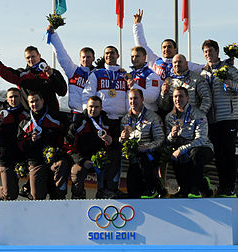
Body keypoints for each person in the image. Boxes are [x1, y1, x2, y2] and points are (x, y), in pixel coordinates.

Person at [200, 39, 238, 197]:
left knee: (229, 153)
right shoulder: (203, 72)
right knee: (219, 154)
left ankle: (230, 187)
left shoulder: (228, 68)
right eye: (206, 52)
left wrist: (230, 84)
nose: (208, 54)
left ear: (217, 52)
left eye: (211, 51)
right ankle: (222, 187)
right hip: (212, 120)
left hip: (228, 117)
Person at [82, 46, 127, 198]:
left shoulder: (124, 75)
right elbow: (88, 94)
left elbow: (129, 95)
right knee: (103, 153)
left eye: (112, 53)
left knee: (118, 154)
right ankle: (101, 189)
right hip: (103, 119)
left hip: (120, 120)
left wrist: (129, 118)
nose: (109, 55)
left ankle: (113, 188)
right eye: (106, 53)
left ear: (118, 55)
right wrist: (87, 112)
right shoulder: (97, 74)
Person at [0, 42, 67, 111]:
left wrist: (52, 76)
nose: (31, 59)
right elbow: (3, 70)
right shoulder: (22, 74)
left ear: (39, 56)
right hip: (31, 119)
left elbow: (62, 92)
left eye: (33, 56)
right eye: (28, 58)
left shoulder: (53, 72)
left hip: (51, 117)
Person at [17, 91, 70, 200]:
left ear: (42, 101)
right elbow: (20, 147)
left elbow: (68, 136)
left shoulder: (56, 117)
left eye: (36, 100)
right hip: (36, 162)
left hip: (54, 160)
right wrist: (31, 140)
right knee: (37, 197)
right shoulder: (24, 123)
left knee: (62, 166)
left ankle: (59, 195)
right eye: (31, 102)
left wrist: (60, 150)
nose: (34, 104)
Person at [165, 87, 214, 198]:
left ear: (187, 98)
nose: (178, 99)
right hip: (183, 148)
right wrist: (172, 135)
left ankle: (195, 189)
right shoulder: (169, 117)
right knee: (173, 154)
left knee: (195, 154)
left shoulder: (198, 114)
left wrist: (182, 149)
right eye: (175, 97)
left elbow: (201, 139)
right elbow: (168, 142)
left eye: (181, 96)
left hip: (203, 147)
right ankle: (190, 187)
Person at [132, 9, 202, 83]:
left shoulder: (181, 63)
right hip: (158, 93)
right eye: (164, 47)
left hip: (175, 92)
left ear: (175, 49)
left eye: (169, 47)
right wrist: (137, 25)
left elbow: (202, 68)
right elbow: (142, 45)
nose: (166, 49)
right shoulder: (155, 61)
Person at [120, 89, 166, 198]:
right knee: (132, 188)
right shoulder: (125, 119)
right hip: (134, 158)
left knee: (143, 160)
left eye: (135, 98)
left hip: (150, 156)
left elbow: (160, 139)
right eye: (130, 98)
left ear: (142, 99)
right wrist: (122, 139)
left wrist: (146, 147)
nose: (133, 101)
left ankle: (154, 188)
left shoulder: (153, 117)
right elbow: (123, 144)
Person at [0, 88, 28, 201]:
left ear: (21, 98)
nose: (13, 99)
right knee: (9, 195)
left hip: (21, 158)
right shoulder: (0, 115)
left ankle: (25, 188)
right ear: (7, 99)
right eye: (11, 97)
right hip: (6, 158)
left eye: (16, 96)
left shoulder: (26, 115)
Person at [67, 96, 113, 199]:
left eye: (96, 107)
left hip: (99, 159)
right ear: (86, 107)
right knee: (77, 172)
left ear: (101, 108)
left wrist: (110, 141)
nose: (93, 109)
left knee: (109, 164)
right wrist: (82, 161)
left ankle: (103, 192)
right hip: (82, 159)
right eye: (91, 106)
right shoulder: (78, 123)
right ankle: (78, 195)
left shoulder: (106, 122)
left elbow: (113, 143)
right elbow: (69, 147)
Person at [47, 25, 95, 120]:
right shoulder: (73, 70)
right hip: (76, 113)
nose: (86, 59)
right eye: (83, 57)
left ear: (93, 58)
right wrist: (53, 35)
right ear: (80, 58)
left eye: (88, 57)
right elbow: (62, 55)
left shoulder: (97, 74)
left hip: (92, 114)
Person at [126, 46, 161, 112]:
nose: (134, 59)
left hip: (148, 114)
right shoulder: (130, 75)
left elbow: (151, 97)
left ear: (144, 57)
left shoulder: (151, 75)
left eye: (137, 56)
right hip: (132, 114)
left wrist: (134, 86)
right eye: (132, 56)